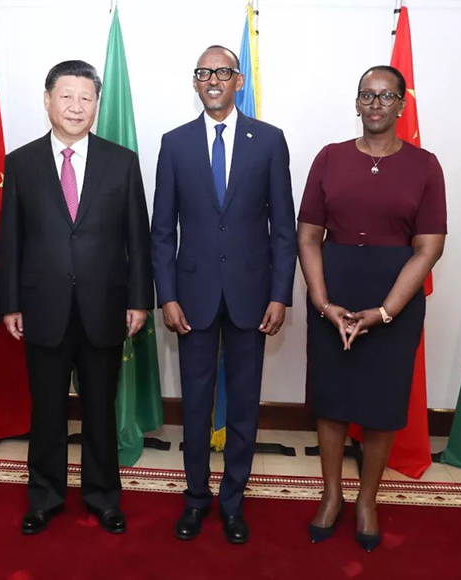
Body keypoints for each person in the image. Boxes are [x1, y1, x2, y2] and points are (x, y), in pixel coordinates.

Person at [0, 60, 153, 536]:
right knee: (46, 409)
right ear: (48, 100)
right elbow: (11, 239)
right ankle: (44, 497)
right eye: (66, 96)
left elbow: (138, 238)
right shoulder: (21, 162)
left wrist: (139, 300)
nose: (76, 106)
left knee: (100, 409)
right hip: (41, 307)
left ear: (96, 104)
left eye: (86, 97)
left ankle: (103, 496)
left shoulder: (121, 161)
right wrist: (10, 303)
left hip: (104, 307)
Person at [151, 45, 297, 544]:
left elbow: (284, 228)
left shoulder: (269, 141)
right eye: (204, 72)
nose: (213, 80)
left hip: (252, 297)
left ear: (238, 81)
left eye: (223, 72)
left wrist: (280, 294)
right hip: (190, 298)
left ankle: (233, 502)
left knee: (244, 405)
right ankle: (196, 500)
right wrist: (167, 295)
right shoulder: (174, 143)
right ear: (195, 83)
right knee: (194, 405)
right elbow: (162, 231)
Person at [297, 65, 446, 553]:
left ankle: (367, 501)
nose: (376, 104)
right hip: (333, 295)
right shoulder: (330, 157)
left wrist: (384, 312)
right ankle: (332, 495)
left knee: (382, 405)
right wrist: (322, 303)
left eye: (386, 96)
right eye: (367, 95)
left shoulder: (425, 166)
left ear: (402, 104)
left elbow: (429, 248)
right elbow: (308, 236)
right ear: (357, 103)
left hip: (393, 302)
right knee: (331, 400)